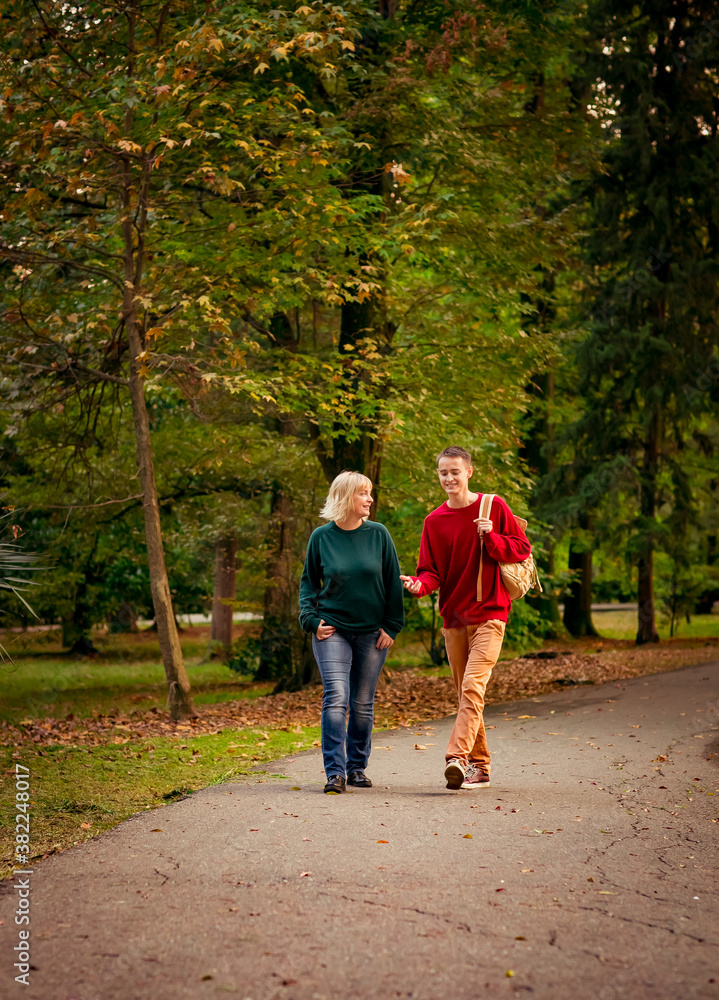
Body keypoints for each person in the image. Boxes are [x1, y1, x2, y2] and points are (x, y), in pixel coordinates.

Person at [400, 446, 530, 790]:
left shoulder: (494, 506)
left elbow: (522, 549)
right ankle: (481, 767)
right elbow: (430, 572)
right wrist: (417, 586)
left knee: (473, 687)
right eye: (443, 472)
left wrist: (494, 536)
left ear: (469, 472)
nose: (449, 478)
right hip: (454, 618)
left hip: (490, 613)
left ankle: (456, 758)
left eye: (455, 472)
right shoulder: (434, 521)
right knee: (466, 695)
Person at [299, 471, 405, 794]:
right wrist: (311, 620)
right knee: (336, 697)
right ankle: (335, 773)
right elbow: (308, 584)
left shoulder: (379, 535)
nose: (370, 499)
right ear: (345, 497)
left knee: (361, 702)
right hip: (332, 631)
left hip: (373, 633)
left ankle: (356, 767)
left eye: (370, 493)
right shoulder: (321, 537)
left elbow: (392, 581)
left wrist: (392, 625)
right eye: (363, 493)